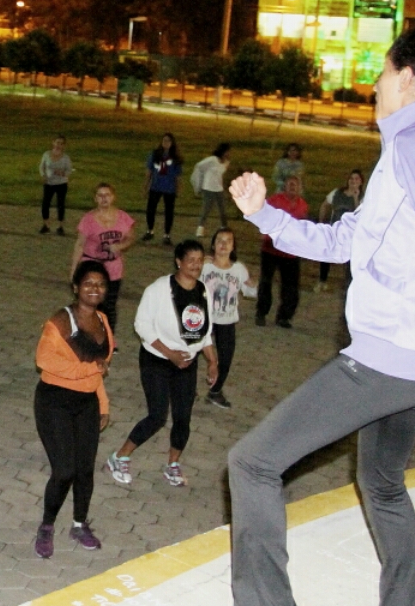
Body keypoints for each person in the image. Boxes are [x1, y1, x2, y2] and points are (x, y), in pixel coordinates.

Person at [207, 29, 415, 606]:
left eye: (380, 71)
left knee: (252, 464)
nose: (371, 85)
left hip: (393, 357)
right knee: (382, 482)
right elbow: (347, 242)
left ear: (405, 79)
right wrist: (265, 216)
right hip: (412, 362)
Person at [105, 240, 218, 488]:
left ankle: (173, 464)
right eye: (191, 260)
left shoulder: (203, 292)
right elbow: (141, 325)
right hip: (156, 359)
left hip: (187, 364)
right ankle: (120, 456)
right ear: (178, 261)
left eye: (200, 261)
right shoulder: (159, 289)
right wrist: (170, 353)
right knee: (157, 415)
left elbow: (205, 331)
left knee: (182, 417)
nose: (196, 265)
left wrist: (212, 361)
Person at [32, 260, 113, 555]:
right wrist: (87, 369)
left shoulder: (103, 322)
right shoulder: (60, 321)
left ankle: (79, 524)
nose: (95, 289)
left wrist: (102, 402)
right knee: (64, 470)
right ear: (76, 287)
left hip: (86, 404)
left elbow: (100, 371)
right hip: (54, 402)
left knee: (85, 470)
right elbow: (45, 361)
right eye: (89, 283)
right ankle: (46, 526)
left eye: (101, 284)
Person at [70, 183, 137, 336]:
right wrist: (74, 270)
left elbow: (131, 237)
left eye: (107, 195)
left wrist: (120, 246)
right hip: (92, 265)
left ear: (113, 197)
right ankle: (89, 336)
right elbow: (79, 244)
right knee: (92, 303)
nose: (104, 199)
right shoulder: (88, 220)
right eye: (100, 195)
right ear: (95, 199)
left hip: (113, 267)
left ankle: (109, 339)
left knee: (110, 305)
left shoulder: (122, 217)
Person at [200, 227, 256, 409]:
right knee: (190, 353)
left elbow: (251, 292)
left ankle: (215, 391)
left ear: (233, 246)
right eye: (219, 240)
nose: (223, 244)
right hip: (203, 318)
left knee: (226, 358)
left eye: (228, 241)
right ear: (213, 245)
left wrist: (253, 283)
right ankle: (183, 387)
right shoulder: (204, 266)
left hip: (226, 320)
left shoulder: (239, 269)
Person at [255, 175, 308, 328]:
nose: (292, 187)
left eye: (295, 185)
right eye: (290, 184)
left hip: (290, 251)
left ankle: (284, 316)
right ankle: (261, 312)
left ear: (299, 188)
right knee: (266, 282)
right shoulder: (274, 201)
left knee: (291, 286)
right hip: (271, 248)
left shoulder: (302, 205)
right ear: (284, 186)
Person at [317, 170, 364, 292]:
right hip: (335, 229)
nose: (353, 181)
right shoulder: (337, 193)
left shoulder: (363, 197)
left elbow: (359, 213)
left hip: (351, 234)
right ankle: (322, 281)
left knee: (350, 260)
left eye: (356, 179)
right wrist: (322, 222)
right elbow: (325, 204)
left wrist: (355, 197)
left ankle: (349, 284)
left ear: (361, 182)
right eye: (351, 178)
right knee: (326, 255)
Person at [143, 132, 183, 244]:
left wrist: (178, 188)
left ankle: (167, 234)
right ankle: (150, 230)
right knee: (150, 210)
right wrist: (146, 186)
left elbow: (178, 175)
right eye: (164, 140)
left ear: (172, 143)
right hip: (156, 186)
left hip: (169, 188)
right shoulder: (155, 154)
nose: (166, 143)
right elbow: (149, 171)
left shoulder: (175, 158)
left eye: (168, 141)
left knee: (169, 212)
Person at [190, 142, 232, 237]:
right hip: (208, 188)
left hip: (218, 188)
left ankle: (224, 228)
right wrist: (200, 181)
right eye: (228, 151)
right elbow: (199, 166)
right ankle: (200, 229)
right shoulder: (212, 160)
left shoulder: (226, 162)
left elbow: (221, 174)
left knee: (222, 210)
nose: (229, 153)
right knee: (206, 209)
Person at [39, 135, 72, 235]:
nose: (59, 145)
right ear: (53, 143)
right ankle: (46, 225)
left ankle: (60, 227)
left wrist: (62, 173)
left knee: (60, 205)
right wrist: (43, 175)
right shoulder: (46, 154)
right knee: (45, 204)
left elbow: (69, 170)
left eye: (61, 144)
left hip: (61, 184)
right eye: (57, 143)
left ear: (64, 146)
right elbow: (41, 166)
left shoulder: (66, 158)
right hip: (49, 183)